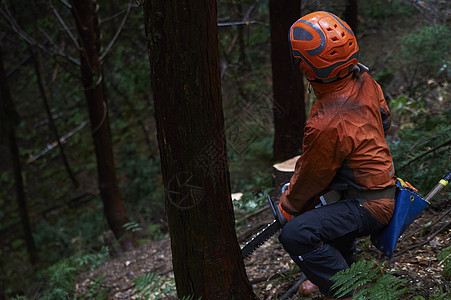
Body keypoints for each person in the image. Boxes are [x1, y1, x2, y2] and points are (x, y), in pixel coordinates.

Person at [275, 11, 397, 299]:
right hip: (375, 187)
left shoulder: (326, 121)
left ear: (306, 66)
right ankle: (344, 266)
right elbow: (384, 119)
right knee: (325, 203)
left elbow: (313, 175)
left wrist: (289, 205)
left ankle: (346, 290)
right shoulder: (364, 81)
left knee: (296, 234)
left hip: (370, 203)